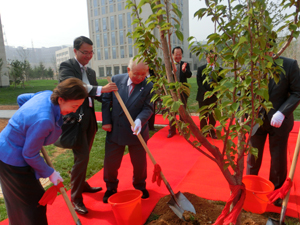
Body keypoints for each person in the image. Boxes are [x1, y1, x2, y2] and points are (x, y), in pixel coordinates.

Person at [0, 78, 87, 225]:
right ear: (61, 99)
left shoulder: (47, 95)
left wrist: (29, 129)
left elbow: (21, 99)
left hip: (4, 149)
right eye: (74, 105)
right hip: (11, 160)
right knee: (34, 203)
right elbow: (29, 154)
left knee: (18, 203)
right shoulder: (44, 120)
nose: (75, 110)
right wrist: (50, 173)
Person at [58, 36, 118, 214]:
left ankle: (82, 184)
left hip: (89, 119)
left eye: (91, 52)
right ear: (75, 51)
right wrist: (101, 90)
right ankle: (75, 198)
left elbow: (98, 95)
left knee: (84, 156)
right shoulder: (67, 67)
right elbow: (74, 87)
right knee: (82, 156)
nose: (89, 56)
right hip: (74, 119)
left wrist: (114, 96)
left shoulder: (91, 72)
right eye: (85, 52)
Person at [246, 43, 300, 207]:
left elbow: (298, 92)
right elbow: (243, 91)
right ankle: (249, 189)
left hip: (279, 121)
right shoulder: (252, 65)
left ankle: (276, 193)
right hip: (256, 120)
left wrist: (283, 111)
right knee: (252, 157)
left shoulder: (289, 65)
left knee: (278, 158)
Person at [101, 57, 154, 203]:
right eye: (136, 74)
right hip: (116, 129)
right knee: (111, 162)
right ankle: (111, 187)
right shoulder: (115, 80)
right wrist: (106, 122)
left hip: (137, 130)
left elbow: (148, 107)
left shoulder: (149, 85)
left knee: (139, 163)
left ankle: (140, 185)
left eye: (143, 74)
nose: (140, 77)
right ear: (128, 70)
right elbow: (106, 100)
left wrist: (139, 121)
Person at [196, 50, 223, 139]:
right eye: (209, 57)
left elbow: (220, 83)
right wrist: (206, 92)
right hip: (202, 96)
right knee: (203, 115)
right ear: (206, 58)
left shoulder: (219, 70)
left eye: (212, 57)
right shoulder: (201, 69)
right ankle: (203, 131)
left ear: (216, 58)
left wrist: (213, 92)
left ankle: (212, 131)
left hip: (214, 96)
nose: (210, 59)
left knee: (212, 115)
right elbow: (199, 82)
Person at [167, 46, 192, 138]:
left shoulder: (185, 64)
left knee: (183, 112)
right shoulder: (168, 65)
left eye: (180, 54)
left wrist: (184, 70)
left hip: (182, 92)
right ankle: (172, 130)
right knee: (172, 112)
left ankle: (182, 130)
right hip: (172, 92)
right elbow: (166, 77)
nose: (178, 56)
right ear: (172, 55)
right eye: (176, 54)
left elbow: (189, 75)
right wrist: (173, 72)